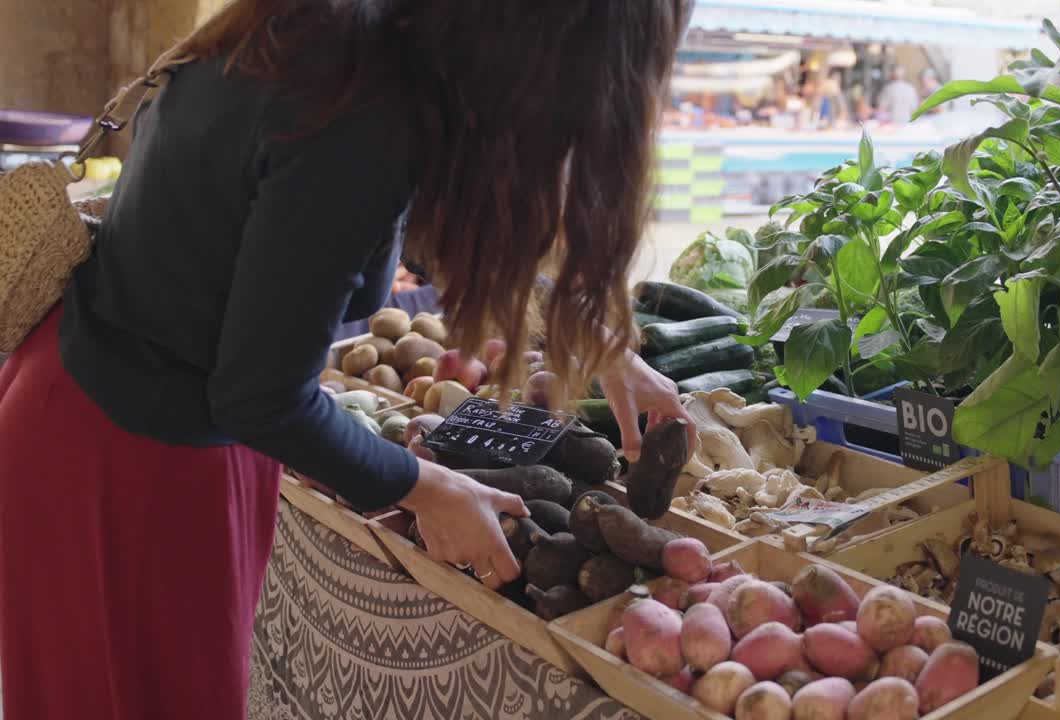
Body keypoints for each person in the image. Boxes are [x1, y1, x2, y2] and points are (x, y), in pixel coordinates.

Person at [0, 1, 692, 718]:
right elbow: (263, 399)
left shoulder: (354, 42)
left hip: (127, 407)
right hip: (123, 449)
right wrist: (424, 487)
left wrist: (591, 339)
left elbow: (391, 230)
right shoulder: (359, 111)